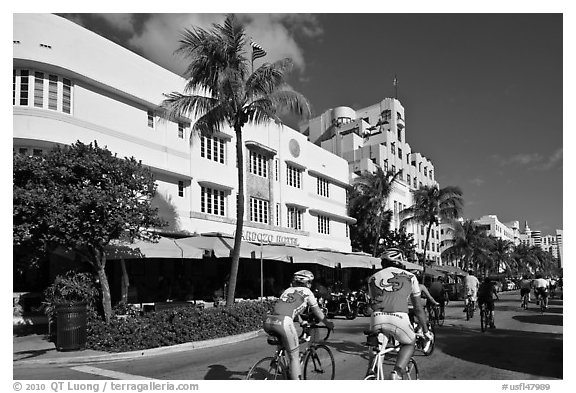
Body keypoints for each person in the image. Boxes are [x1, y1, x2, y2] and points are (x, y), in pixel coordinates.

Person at [366, 248, 433, 380]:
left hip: (377, 318)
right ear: (400, 260)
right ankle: (396, 373)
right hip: (399, 318)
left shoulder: (372, 278)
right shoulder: (410, 277)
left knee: (377, 349)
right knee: (409, 343)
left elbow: (373, 303)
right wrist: (425, 331)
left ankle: (371, 372)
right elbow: (418, 308)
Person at [263, 270, 334, 380]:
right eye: (310, 282)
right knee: (294, 356)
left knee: (284, 345)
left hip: (269, 320)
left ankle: (278, 364)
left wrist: (301, 322)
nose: (310, 285)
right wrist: (328, 323)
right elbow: (318, 312)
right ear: (307, 283)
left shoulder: (287, 290)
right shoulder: (307, 292)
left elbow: (291, 309)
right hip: (284, 322)